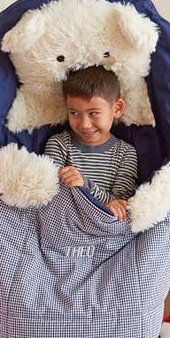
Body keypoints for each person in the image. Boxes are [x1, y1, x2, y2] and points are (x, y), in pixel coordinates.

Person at [44, 65, 138, 221]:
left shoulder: (125, 153)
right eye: (74, 113)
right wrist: (104, 200)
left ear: (117, 108)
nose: (84, 124)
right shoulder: (59, 144)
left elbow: (119, 205)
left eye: (93, 113)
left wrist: (84, 185)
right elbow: (52, 195)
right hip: (64, 224)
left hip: (104, 228)